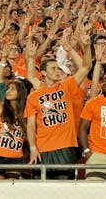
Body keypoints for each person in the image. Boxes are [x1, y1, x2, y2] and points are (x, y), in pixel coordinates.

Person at [23, 31, 91, 179]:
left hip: (65, 148)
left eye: (58, 68)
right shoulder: (35, 94)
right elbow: (30, 125)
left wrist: (80, 48)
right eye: (53, 69)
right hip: (42, 149)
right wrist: (33, 148)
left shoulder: (66, 86)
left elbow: (86, 67)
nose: (57, 71)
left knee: (64, 190)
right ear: (44, 73)